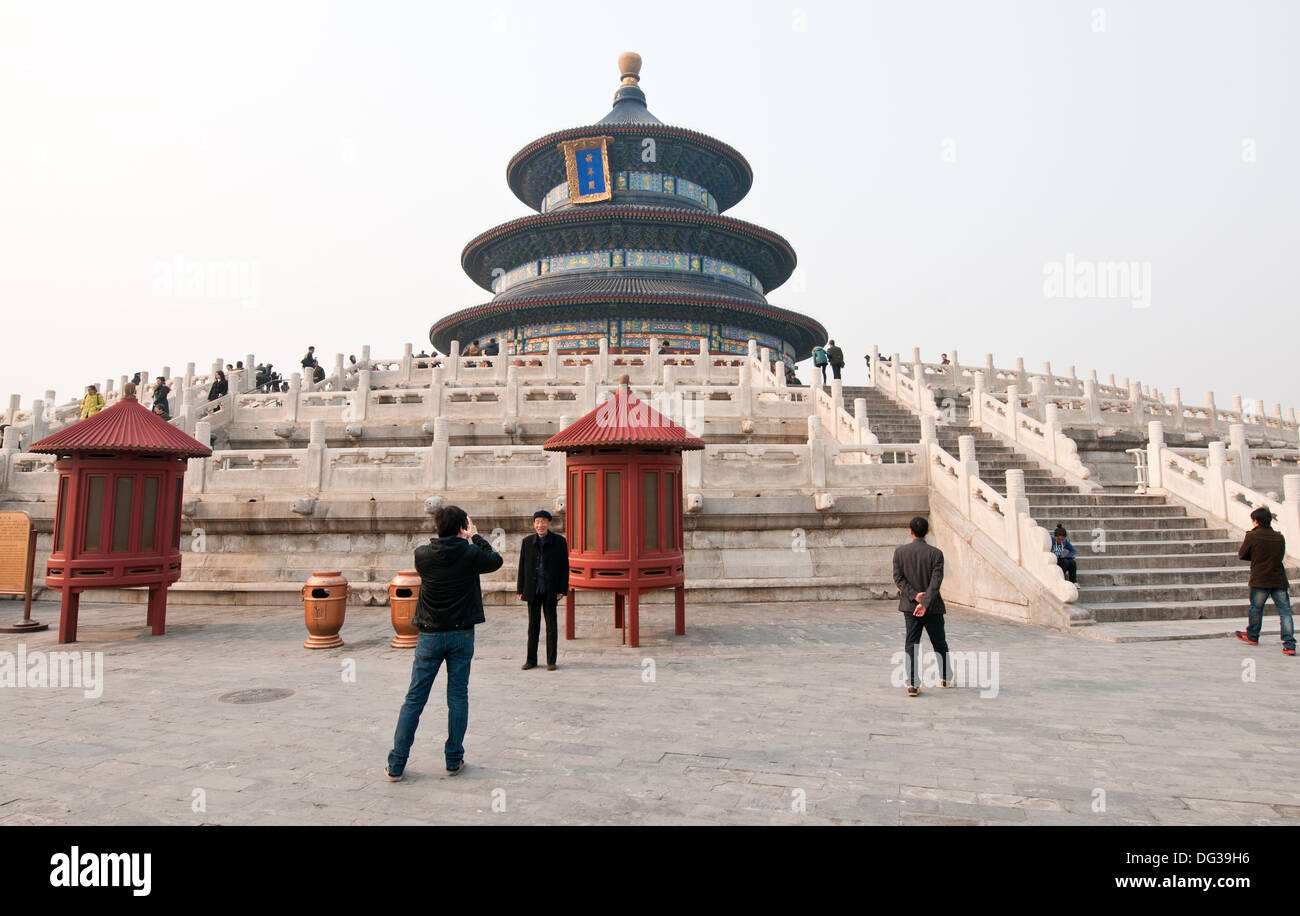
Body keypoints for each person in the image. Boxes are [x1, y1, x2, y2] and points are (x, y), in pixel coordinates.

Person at [386, 505, 503, 780]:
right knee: (458, 696)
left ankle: (396, 764)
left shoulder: (422, 555)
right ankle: (453, 759)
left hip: (429, 634)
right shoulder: (471, 553)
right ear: (462, 526)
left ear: (437, 526)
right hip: (461, 633)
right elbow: (495, 560)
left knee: (414, 699)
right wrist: (474, 536)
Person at [892, 516, 952, 696]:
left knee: (912, 644)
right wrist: (925, 602)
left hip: (911, 607)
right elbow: (936, 582)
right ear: (927, 531)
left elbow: (898, 578)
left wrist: (914, 596)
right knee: (939, 642)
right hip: (932, 607)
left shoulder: (900, 552)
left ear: (911, 531)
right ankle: (945, 676)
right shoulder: (936, 554)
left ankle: (912, 683)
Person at [1236, 506, 1296, 655]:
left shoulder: (1252, 536)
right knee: (1285, 612)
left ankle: (1252, 636)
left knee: (1256, 609)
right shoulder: (1279, 536)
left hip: (1260, 579)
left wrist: (1257, 557)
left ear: (1256, 521)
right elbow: (1280, 556)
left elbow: (1242, 554)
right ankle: (1289, 644)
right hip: (1278, 578)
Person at [516, 509, 570, 670]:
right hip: (533, 589)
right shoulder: (527, 542)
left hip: (550, 589)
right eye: (537, 522)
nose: (540, 525)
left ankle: (551, 661)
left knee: (551, 626)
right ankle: (531, 660)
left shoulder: (559, 541)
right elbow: (522, 567)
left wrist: (562, 589)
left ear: (549, 523)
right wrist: (520, 589)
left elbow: (564, 568)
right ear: (534, 524)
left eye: (543, 521)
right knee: (533, 626)